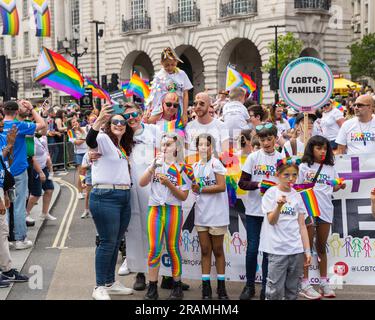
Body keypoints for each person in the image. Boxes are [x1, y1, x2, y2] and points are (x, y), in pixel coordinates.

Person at [86, 104, 134, 300]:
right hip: (105, 196)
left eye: (123, 122)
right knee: (107, 242)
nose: (119, 124)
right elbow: (90, 140)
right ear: (108, 124)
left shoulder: (121, 146)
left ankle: (110, 282)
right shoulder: (104, 139)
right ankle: (98, 286)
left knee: (115, 243)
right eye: (115, 121)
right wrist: (99, 120)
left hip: (123, 196)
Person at [139, 132, 191, 300]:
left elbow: (183, 197)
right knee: (154, 248)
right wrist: (152, 167)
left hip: (173, 210)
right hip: (155, 209)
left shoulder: (183, 167)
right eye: (163, 144)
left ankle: (177, 286)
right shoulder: (155, 163)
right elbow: (142, 183)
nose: (165, 147)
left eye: (169, 144)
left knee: (173, 248)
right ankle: (152, 287)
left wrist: (169, 183)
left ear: (177, 147)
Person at [298, 136, 346, 299]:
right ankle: (304, 283)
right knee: (307, 248)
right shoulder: (304, 166)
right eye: (319, 148)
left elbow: (333, 187)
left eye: (325, 148)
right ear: (311, 149)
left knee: (321, 247)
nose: (323, 151)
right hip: (308, 210)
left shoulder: (331, 168)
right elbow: (297, 188)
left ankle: (324, 282)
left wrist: (339, 185)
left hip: (326, 210)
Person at [238, 123, 282, 300]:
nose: (266, 142)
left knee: (268, 251)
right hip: (254, 210)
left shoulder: (281, 158)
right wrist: (259, 184)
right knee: (252, 249)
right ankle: (249, 286)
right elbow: (242, 183)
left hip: (272, 212)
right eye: (262, 139)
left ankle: (266, 287)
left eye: (269, 139)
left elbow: (287, 183)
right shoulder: (253, 158)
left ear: (275, 138)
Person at [120, 104, 161, 291]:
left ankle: (167, 274)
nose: (132, 118)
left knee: (155, 230)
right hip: (131, 188)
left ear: (141, 113)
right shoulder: (121, 136)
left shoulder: (154, 130)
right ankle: (139, 272)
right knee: (134, 229)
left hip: (153, 187)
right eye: (127, 116)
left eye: (135, 114)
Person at [259, 157, 311, 300]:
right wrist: (279, 206)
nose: (291, 179)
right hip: (277, 250)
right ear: (278, 175)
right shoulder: (270, 193)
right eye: (286, 175)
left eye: (294, 175)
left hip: (296, 250)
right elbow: (271, 220)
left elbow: (302, 226)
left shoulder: (298, 196)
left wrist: (306, 250)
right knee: (274, 290)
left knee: (292, 291)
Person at [2, 100, 46, 250]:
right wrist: (32, 109)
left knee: (5, 206)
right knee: (19, 206)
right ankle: (20, 239)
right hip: (19, 170)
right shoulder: (18, 126)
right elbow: (42, 125)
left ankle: (5, 240)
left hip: (3, 170)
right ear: (16, 112)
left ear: (3, 111)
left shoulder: (1, 126)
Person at [192, 134, 229, 300]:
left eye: (206, 145)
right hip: (201, 214)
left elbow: (221, 187)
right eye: (200, 145)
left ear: (211, 147)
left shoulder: (216, 163)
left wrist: (200, 189)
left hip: (217, 214)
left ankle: (221, 288)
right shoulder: (194, 166)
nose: (203, 148)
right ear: (197, 147)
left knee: (218, 250)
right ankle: (205, 288)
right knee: (205, 250)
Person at [0, 113, 29, 286]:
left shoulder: (2, 137)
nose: (2, 122)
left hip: (2, 187)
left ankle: (7, 269)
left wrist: (10, 144)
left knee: (2, 232)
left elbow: (4, 161)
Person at [145, 47, 193, 124]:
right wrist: (148, 109)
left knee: (178, 127)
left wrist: (184, 113)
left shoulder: (182, 74)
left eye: (172, 64)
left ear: (176, 62)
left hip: (177, 107)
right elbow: (153, 95)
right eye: (166, 65)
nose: (170, 67)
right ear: (161, 63)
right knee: (152, 123)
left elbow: (185, 94)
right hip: (161, 108)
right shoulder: (159, 76)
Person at [185, 92, 229, 163]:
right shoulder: (188, 127)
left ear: (209, 106)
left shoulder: (221, 126)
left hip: (215, 169)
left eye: (202, 104)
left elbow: (226, 153)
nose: (198, 106)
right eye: (195, 104)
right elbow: (186, 154)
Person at [26, 126, 56, 221]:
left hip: (44, 167)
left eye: (46, 127)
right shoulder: (30, 139)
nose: (45, 129)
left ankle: (44, 213)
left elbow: (46, 152)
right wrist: (40, 172)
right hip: (36, 169)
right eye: (43, 127)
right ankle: (25, 214)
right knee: (36, 193)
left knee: (49, 189)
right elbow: (32, 158)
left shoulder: (44, 137)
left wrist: (50, 167)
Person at [67, 117, 88, 199]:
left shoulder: (83, 129)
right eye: (73, 122)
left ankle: (86, 190)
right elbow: (77, 143)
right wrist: (85, 137)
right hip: (79, 154)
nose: (75, 123)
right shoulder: (70, 132)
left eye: (76, 121)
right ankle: (79, 192)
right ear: (70, 125)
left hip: (87, 152)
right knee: (81, 174)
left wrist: (83, 135)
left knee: (87, 173)